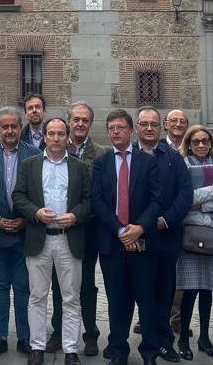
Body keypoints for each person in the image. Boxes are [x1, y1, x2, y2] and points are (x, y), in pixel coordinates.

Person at [14, 115, 91, 365]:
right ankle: (37, 347)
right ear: (44, 137)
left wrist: (75, 215)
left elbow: (89, 201)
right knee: (37, 296)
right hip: (40, 238)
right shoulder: (30, 165)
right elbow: (18, 197)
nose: (56, 138)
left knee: (71, 298)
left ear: (67, 137)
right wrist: (35, 212)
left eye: (60, 134)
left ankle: (71, 350)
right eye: (51, 133)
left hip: (69, 239)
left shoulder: (80, 167)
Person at [93, 108, 163, 365]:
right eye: (111, 128)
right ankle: (118, 350)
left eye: (121, 127)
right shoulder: (100, 163)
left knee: (147, 300)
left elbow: (157, 200)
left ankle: (150, 353)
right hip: (113, 243)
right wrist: (121, 231)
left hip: (143, 242)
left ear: (131, 130)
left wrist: (139, 228)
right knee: (117, 301)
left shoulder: (148, 161)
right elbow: (98, 202)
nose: (116, 132)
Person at [0, 106, 41, 356]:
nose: (9, 131)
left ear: (20, 126)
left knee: (23, 287)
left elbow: (40, 194)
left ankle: (25, 337)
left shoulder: (34, 154)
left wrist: (26, 219)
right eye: (4, 126)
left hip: (25, 234)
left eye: (13, 126)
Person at [137, 107, 192, 363]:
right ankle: (147, 343)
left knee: (164, 292)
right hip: (136, 239)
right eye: (144, 124)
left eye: (153, 124)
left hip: (166, 237)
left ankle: (164, 341)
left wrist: (166, 220)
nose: (149, 128)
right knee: (142, 293)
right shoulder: (129, 156)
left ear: (161, 127)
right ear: (137, 127)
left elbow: (185, 193)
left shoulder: (172, 158)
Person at [175, 124, 213, 360]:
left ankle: (205, 337)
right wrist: (210, 190)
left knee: (208, 289)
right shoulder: (182, 166)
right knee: (189, 290)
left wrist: (202, 205)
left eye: (205, 141)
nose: (201, 145)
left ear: (211, 144)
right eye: (196, 141)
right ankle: (183, 338)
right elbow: (182, 199)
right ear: (189, 144)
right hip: (189, 235)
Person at [54, 102, 104, 356]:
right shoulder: (56, 147)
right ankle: (57, 331)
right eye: (76, 119)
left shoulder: (101, 153)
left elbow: (100, 193)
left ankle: (90, 333)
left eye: (85, 120)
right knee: (58, 283)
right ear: (69, 122)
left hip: (87, 230)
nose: (80, 124)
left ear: (90, 123)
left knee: (86, 284)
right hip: (59, 227)